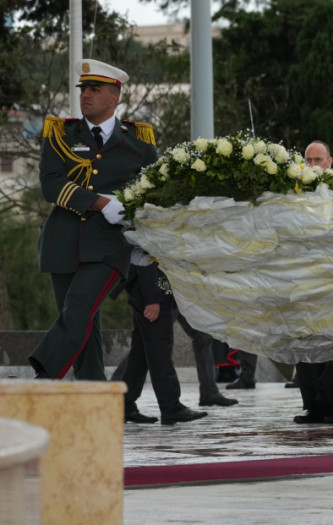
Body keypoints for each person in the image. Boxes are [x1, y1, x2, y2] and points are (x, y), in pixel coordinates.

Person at [29, 59, 158, 380]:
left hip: (108, 245)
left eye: (94, 89)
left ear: (114, 97)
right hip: (63, 242)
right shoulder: (60, 134)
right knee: (84, 323)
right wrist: (100, 202)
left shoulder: (139, 142)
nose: (85, 95)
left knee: (77, 311)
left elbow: (153, 190)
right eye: (83, 89)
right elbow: (51, 184)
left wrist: (132, 210)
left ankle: (43, 378)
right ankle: (96, 396)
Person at [292, 140, 333, 425]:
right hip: (304, 277)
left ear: (330, 162)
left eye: (318, 160)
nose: (313, 165)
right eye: (309, 160)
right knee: (306, 339)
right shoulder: (294, 194)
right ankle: (312, 402)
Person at [113, 257, 209, 425]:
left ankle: (124, 404)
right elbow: (143, 255)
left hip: (144, 288)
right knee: (160, 349)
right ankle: (171, 407)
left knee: (140, 352)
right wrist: (152, 298)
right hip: (151, 290)